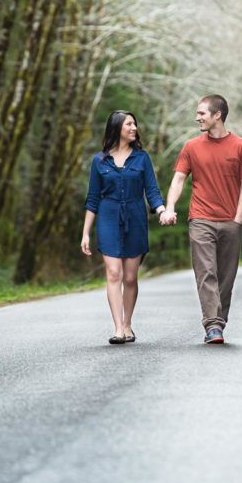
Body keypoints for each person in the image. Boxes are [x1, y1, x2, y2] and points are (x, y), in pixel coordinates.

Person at [160, 95, 242, 344]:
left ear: (218, 115)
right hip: (200, 219)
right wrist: (169, 207)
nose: (197, 118)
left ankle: (219, 322)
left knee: (226, 276)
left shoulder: (241, 147)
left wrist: (237, 219)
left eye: (202, 113)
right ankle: (212, 325)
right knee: (206, 273)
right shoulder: (191, 147)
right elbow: (179, 179)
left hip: (230, 221)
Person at [82, 110, 166, 345]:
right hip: (108, 218)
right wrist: (85, 233)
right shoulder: (100, 161)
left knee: (130, 277)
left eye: (134, 124)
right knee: (114, 273)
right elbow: (92, 199)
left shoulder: (142, 158)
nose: (133, 128)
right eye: (129, 124)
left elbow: (152, 190)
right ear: (117, 128)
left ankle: (128, 323)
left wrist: (161, 210)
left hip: (135, 217)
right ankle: (118, 328)